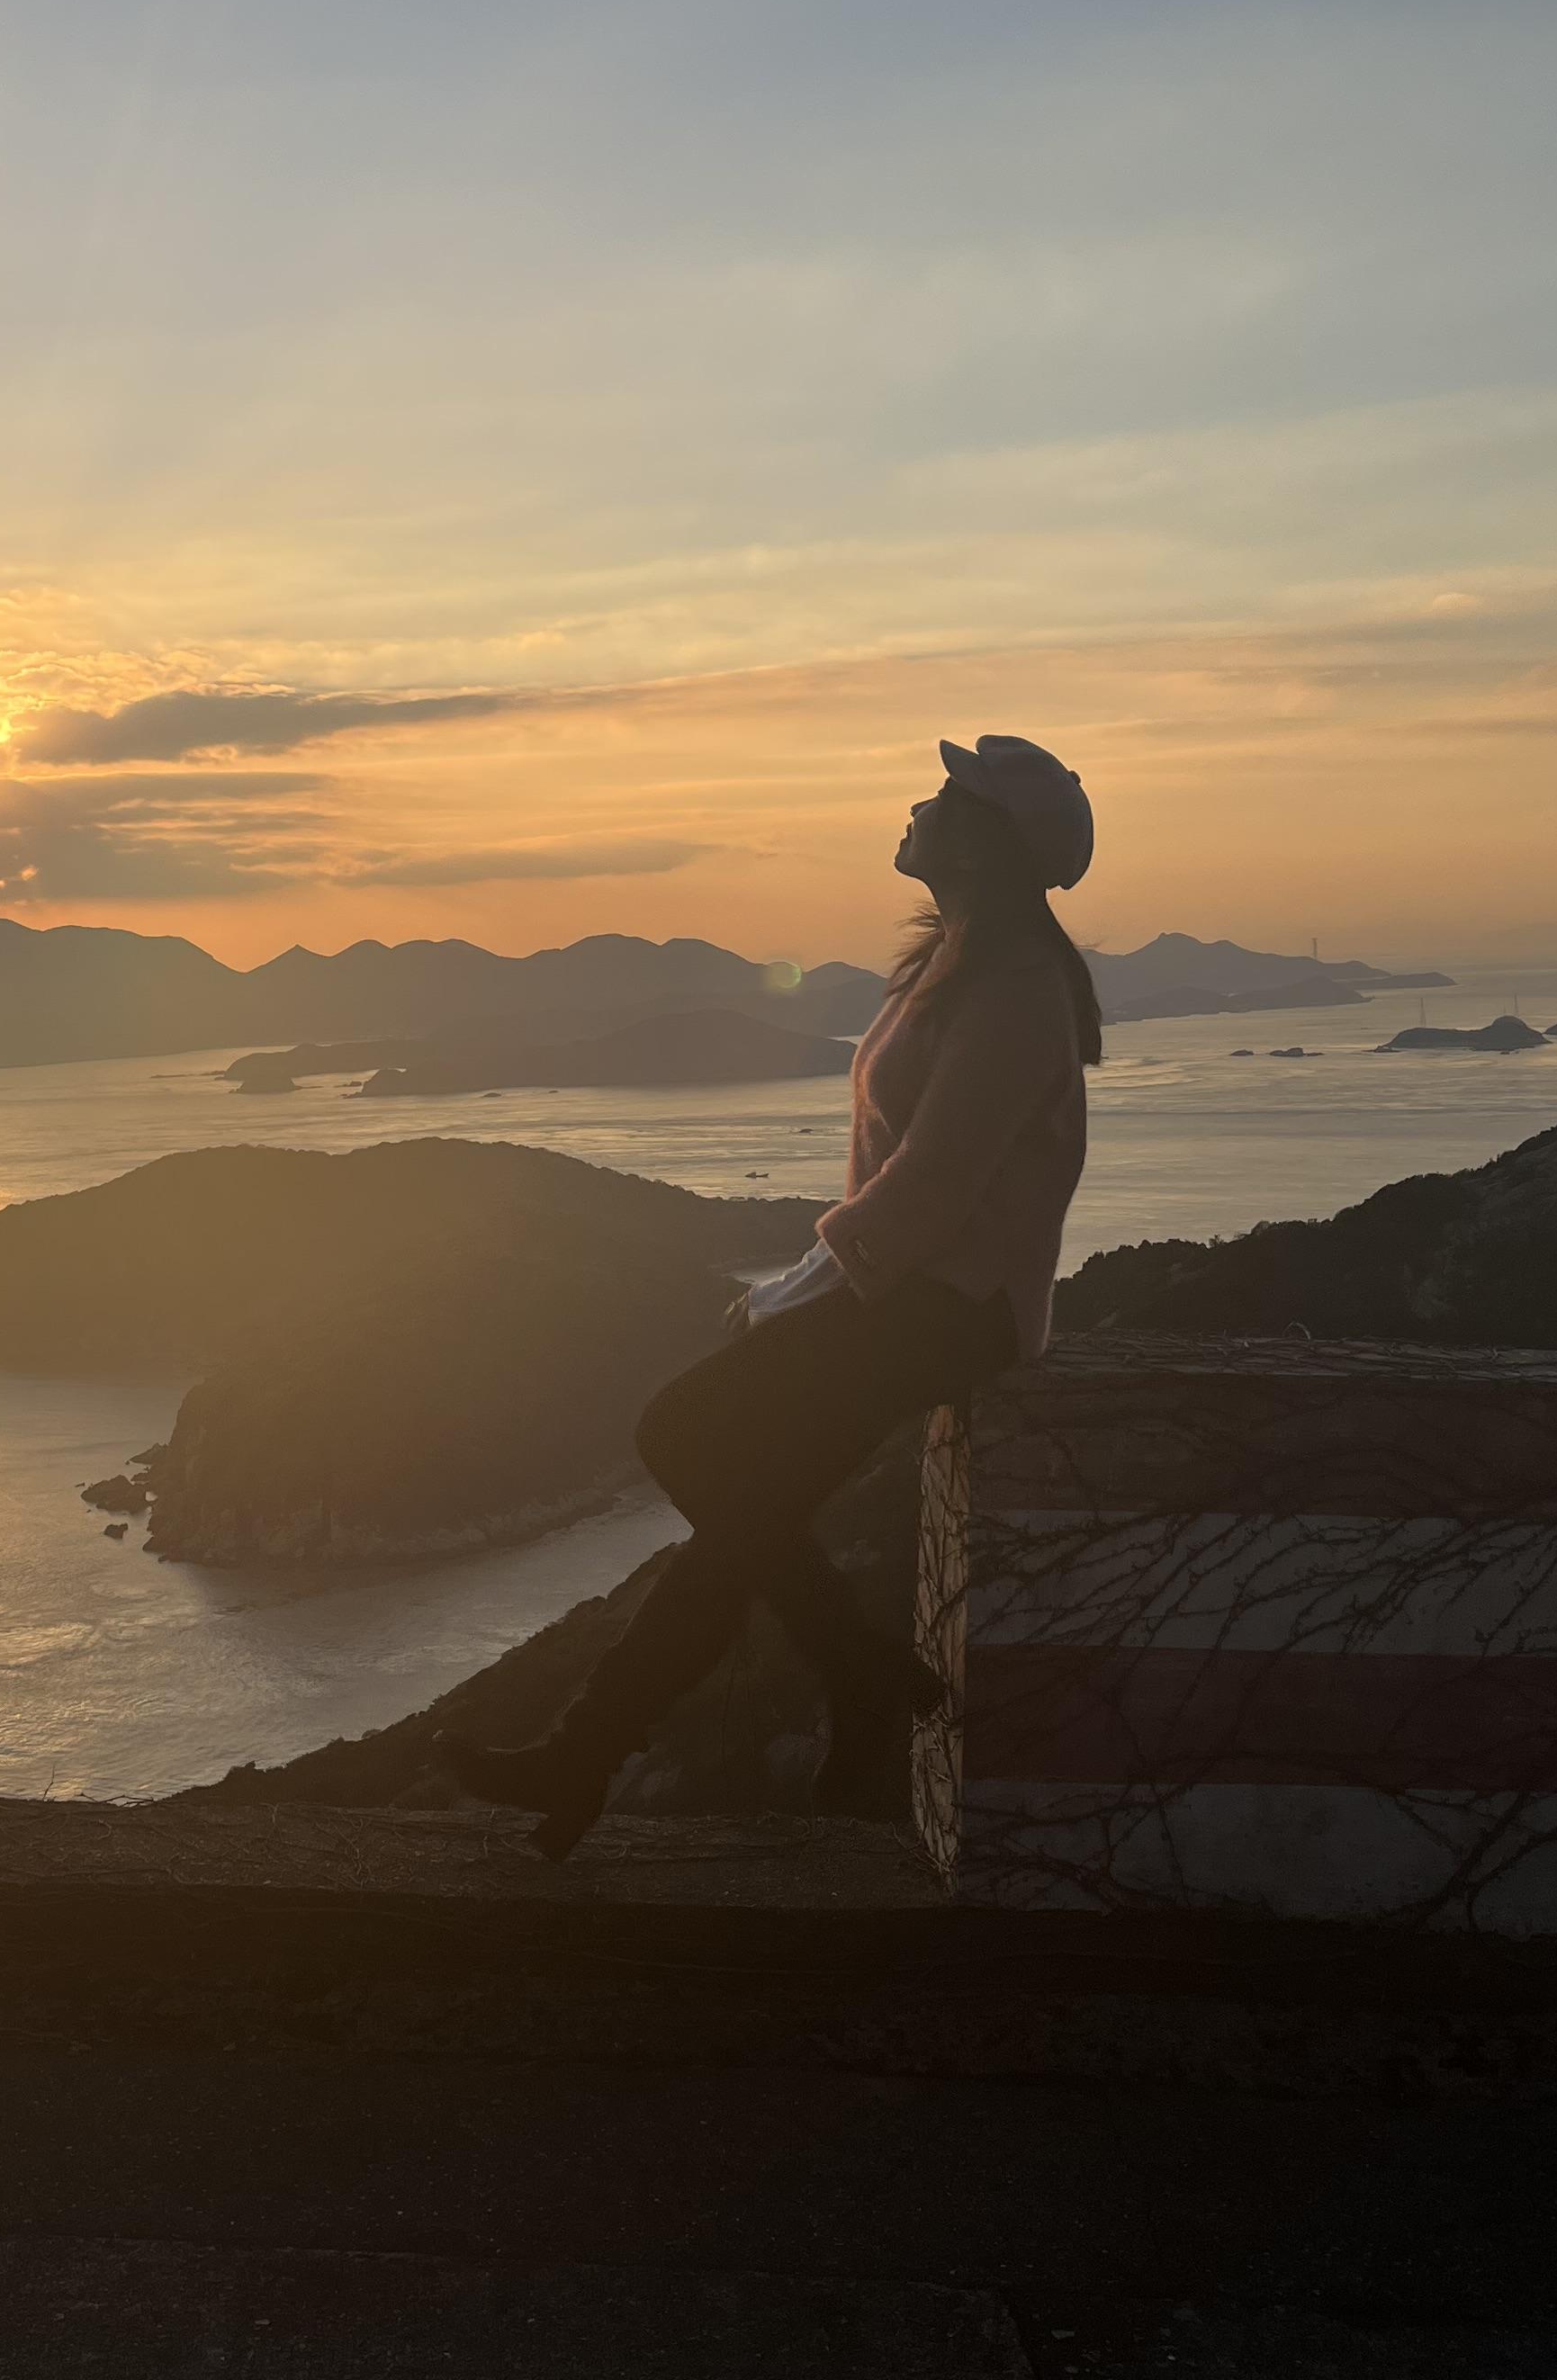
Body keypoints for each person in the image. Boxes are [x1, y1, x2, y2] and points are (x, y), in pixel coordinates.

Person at [446, 732, 1101, 1860]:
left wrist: (801, 1286)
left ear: (987, 844)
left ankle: (816, 1680)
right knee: (737, 1520)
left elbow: (935, 1182)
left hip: (951, 1307)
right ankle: (598, 1755)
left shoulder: (1020, 990)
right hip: (910, 1292)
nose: (920, 802)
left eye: (946, 795)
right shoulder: (955, 959)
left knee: (684, 1435)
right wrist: (814, 1284)